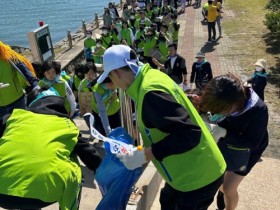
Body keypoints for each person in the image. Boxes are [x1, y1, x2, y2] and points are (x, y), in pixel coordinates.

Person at [97, 45, 226, 209]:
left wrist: (145, 155)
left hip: (197, 178)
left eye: (110, 78)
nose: (112, 84)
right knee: (166, 201)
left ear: (116, 73)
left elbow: (189, 134)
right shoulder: (152, 76)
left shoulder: (150, 93)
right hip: (189, 171)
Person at [0, 88, 102, 210]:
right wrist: (104, 172)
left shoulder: (13, 117)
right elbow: (89, 155)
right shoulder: (67, 124)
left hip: (3, 194)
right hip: (45, 194)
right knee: (72, 161)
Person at [196, 73, 269, 210]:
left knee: (228, 188)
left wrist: (224, 133)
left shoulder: (258, 110)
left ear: (237, 104)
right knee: (220, 179)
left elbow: (253, 142)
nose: (217, 113)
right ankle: (221, 195)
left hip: (247, 147)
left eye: (223, 111)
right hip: (223, 139)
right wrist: (203, 115)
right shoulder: (220, 90)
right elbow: (204, 105)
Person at [0, 41, 39, 119]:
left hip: (18, 101)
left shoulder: (7, 53)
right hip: (1, 108)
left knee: (25, 124)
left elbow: (23, 69)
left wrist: (36, 86)